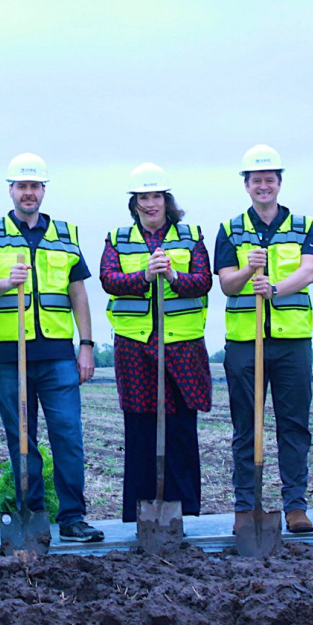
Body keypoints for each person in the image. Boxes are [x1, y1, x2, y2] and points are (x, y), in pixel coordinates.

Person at [0, 152, 104, 543]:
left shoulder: (66, 234)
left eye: (34, 186)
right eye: (21, 186)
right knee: (21, 439)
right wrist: (5, 281)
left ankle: (73, 518)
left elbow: (78, 292)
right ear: (10, 190)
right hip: (10, 355)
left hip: (57, 354)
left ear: (43, 190)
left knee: (68, 436)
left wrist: (86, 345)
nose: (28, 193)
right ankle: (32, 514)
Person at [214, 144, 313, 534]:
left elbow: (308, 273)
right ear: (246, 185)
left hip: (292, 341)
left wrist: (273, 287)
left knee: (294, 424)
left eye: (269, 180)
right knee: (247, 427)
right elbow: (226, 284)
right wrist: (247, 270)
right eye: (256, 180)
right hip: (245, 343)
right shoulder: (229, 229)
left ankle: (295, 506)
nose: (263, 186)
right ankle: (247, 505)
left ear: (279, 183)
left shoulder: (304, 225)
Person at [99, 163, 212, 522]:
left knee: (181, 428)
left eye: (157, 197)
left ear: (167, 200)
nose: (151, 204)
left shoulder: (191, 235)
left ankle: (187, 511)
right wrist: (142, 276)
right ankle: (138, 513)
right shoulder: (117, 239)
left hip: (182, 344)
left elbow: (204, 280)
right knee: (140, 428)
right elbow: (108, 279)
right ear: (134, 203)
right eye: (143, 197)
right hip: (135, 345)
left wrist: (175, 276)